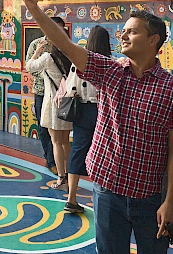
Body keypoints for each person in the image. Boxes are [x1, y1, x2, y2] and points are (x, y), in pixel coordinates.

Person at [22, 0, 173, 254]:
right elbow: (64, 44)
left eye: (132, 32)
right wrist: (34, 8)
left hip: (149, 196)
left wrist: (171, 200)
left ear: (153, 40)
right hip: (107, 189)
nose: (123, 36)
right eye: (122, 31)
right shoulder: (110, 71)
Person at [64, 25, 111, 213]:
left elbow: (69, 87)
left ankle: (71, 198)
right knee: (104, 151)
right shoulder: (109, 63)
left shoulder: (79, 63)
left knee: (78, 150)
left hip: (81, 110)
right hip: (103, 111)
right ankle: (102, 196)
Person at [26, 29, 73, 191]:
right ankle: (69, 175)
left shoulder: (47, 57)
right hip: (68, 103)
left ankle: (61, 179)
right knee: (66, 142)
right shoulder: (70, 56)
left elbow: (30, 67)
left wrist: (37, 51)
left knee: (56, 141)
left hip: (53, 103)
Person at [25, 18, 62, 176]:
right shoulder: (36, 44)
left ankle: (60, 160)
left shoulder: (65, 44)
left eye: (61, 29)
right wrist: (44, 70)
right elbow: (29, 67)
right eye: (55, 28)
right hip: (41, 90)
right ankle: (50, 160)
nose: (59, 32)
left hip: (61, 92)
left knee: (59, 128)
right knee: (44, 125)